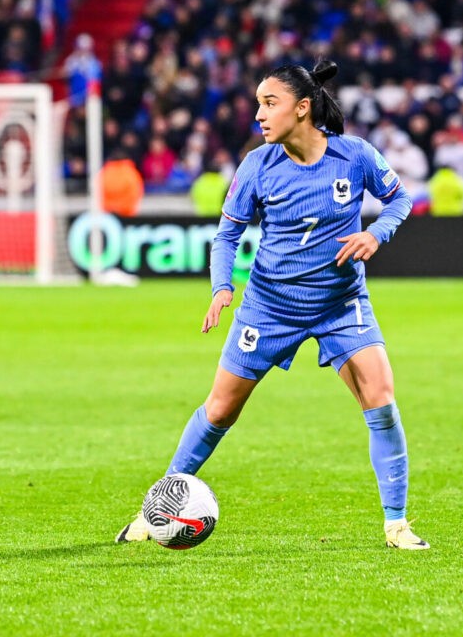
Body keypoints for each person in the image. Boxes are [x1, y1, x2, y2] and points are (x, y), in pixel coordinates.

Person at [116, 61, 428, 550]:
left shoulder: (355, 156)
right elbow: (227, 234)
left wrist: (374, 233)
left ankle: (397, 524)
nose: (259, 115)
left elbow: (400, 200)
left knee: (382, 399)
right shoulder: (257, 165)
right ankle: (153, 512)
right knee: (219, 411)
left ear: (302, 109)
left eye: (269, 103)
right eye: (258, 104)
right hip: (269, 309)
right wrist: (222, 287)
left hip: (340, 303)